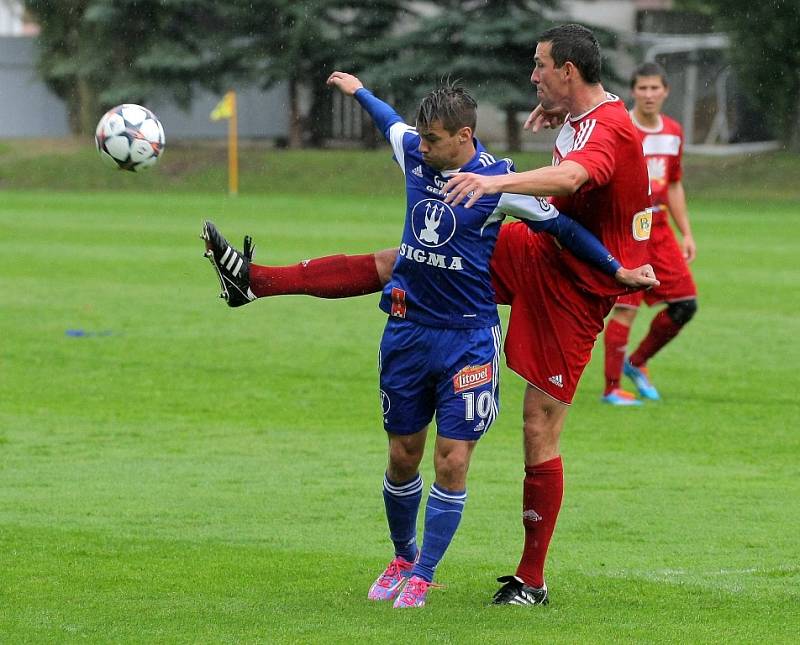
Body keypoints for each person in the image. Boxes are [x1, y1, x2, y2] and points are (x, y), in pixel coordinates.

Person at [203, 24, 657, 606]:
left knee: (538, 428)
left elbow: (571, 179)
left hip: (580, 284)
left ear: (568, 69)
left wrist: (494, 180)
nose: (533, 74)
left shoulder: (611, 128)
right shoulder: (576, 117)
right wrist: (551, 123)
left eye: (540, 65)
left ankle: (531, 580)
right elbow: (561, 183)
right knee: (416, 259)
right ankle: (254, 283)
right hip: (543, 252)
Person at [601, 62, 698, 405]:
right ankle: (612, 388)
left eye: (655, 88)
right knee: (626, 308)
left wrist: (686, 232)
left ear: (665, 91)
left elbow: (673, 184)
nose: (649, 94)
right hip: (629, 228)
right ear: (633, 91)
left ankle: (637, 363)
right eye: (642, 88)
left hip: (660, 229)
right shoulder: (621, 128)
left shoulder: (673, 132)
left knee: (686, 305)